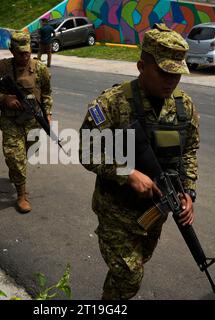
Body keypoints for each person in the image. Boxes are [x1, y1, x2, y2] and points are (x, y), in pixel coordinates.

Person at [79, 24, 200, 300]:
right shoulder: (112, 103)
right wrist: (128, 172)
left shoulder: (184, 107)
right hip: (116, 211)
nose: (171, 81)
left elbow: (190, 151)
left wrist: (188, 193)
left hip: (155, 212)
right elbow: (86, 149)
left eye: (177, 74)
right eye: (164, 72)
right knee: (129, 276)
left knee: (136, 266)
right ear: (141, 66)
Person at [0, 31, 53, 213]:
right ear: (12, 51)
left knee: (28, 153)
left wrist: (48, 113)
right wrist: (4, 98)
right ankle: (22, 194)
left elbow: (46, 93)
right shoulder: (1, 69)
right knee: (15, 157)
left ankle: (16, 171)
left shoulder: (40, 69)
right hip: (11, 121)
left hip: (33, 120)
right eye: (20, 53)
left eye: (27, 52)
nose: (25, 56)